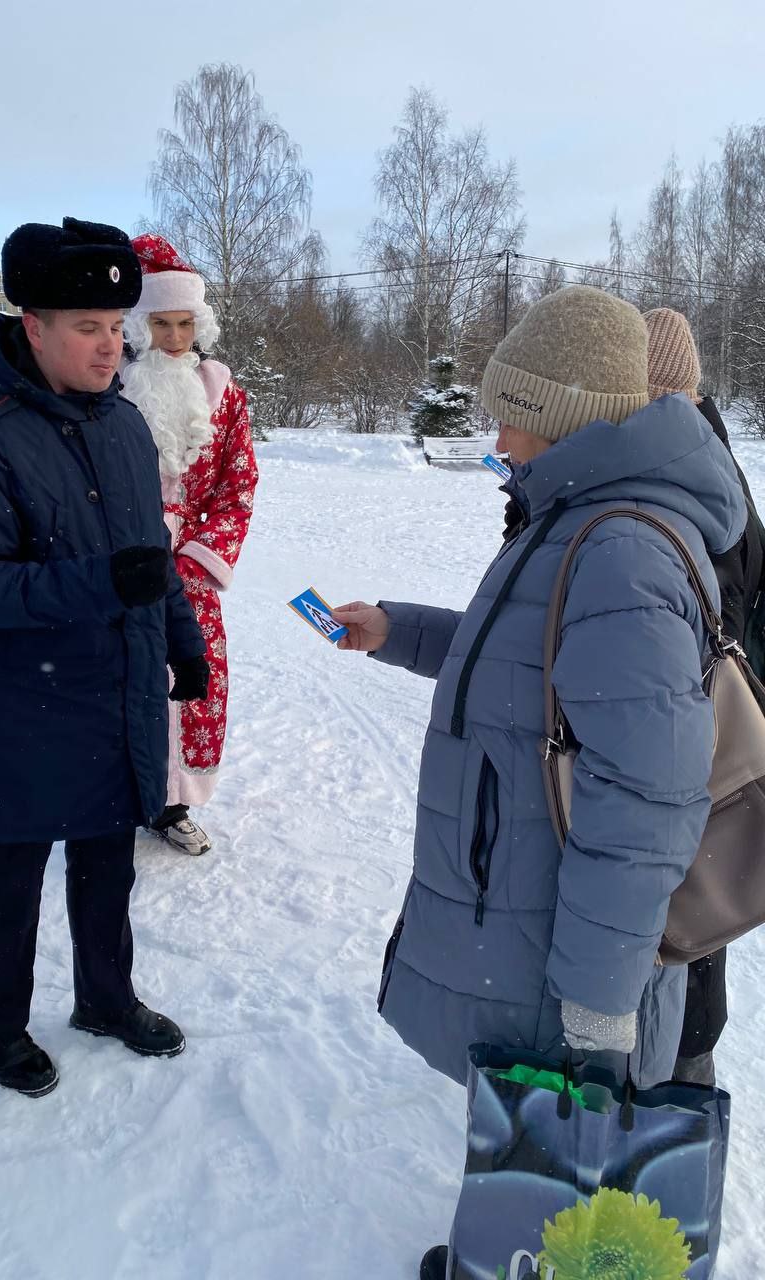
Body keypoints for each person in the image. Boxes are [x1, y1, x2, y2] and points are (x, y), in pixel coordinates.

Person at [332, 286, 746, 1279]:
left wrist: (599, 1001)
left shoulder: (620, 551)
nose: (496, 432)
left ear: (564, 414)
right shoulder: (573, 520)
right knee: (548, 1132)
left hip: (567, 932)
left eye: (509, 409)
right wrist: (399, 630)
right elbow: (527, 662)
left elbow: (647, 804)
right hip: (528, 902)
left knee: (579, 1130)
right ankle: (521, 1252)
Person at [0, 217, 208, 1097]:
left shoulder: (123, 425)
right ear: (32, 325)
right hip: (22, 704)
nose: (109, 344)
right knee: (13, 867)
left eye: (116, 326)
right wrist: (100, 584)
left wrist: (181, 639)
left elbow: (147, 558)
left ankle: (105, 998)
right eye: (87, 327)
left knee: (107, 858)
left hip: (111, 689)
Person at [644, 305, 765, 1088]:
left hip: (691, 742)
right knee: (689, 915)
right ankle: (684, 1060)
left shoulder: (690, 481)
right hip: (712, 742)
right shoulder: (712, 464)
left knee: (677, 912)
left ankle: (681, 1076)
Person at [119, 234, 258, 856]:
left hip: (191, 570)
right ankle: (122, 795)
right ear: (140, 326)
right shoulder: (113, 391)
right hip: (120, 564)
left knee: (192, 681)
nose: (175, 337)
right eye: (161, 323)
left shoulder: (224, 394)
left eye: (185, 323)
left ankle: (175, 803)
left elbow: (239, 479)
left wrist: (200, 553)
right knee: (124, 676)